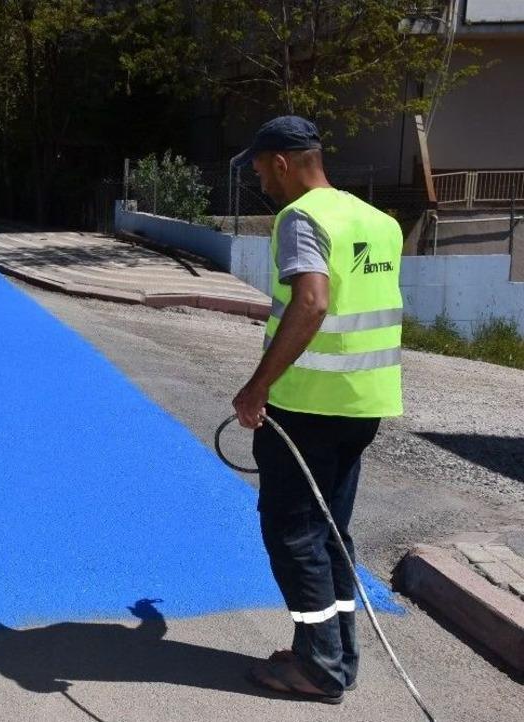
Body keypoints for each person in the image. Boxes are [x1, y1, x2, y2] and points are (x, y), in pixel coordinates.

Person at [231, 116, 403, 704]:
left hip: (308, 406)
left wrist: (257, 387)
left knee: (292, 535)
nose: (260, 181)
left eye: (261, 170)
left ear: (282, 163)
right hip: (364, 403)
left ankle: (320, 668)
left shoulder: (300, 218)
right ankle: (332, 655)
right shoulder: (377, 221)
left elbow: (312, 300)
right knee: (328, 533)